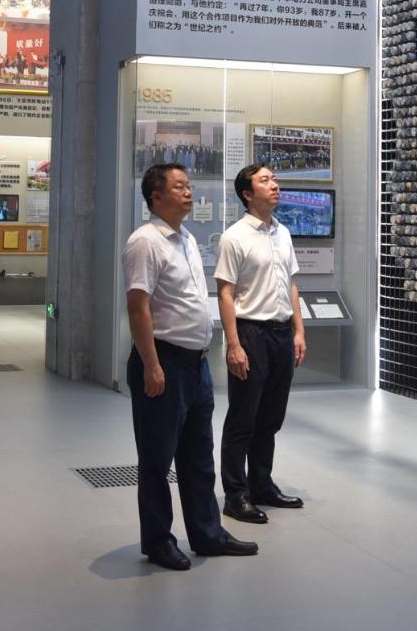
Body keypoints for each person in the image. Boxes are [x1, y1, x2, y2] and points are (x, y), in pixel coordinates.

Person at [125, 164, 258, 570]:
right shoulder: (145, 242)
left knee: (199, 457)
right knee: (157, 459)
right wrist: (151, 364)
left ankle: (207, 533)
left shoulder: (184, 238)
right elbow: (138, 306)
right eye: (179, 187)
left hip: (195, 364)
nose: (188, 192)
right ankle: (158, 542)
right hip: (163, 361)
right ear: (156, 197)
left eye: (188, 186)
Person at [216, 164, 307, 525]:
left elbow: (291, 285)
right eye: (265, 181)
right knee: (243, 417)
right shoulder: (234, 237)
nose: (275, 185)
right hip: (250, 332)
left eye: (274, 179)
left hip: (281, 333)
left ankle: (262, 484)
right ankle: (235, 495)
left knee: (271, 416)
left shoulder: (283, 233)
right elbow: (225, 293)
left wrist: (299, 331)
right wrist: (233, 344)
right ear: (247, 194)